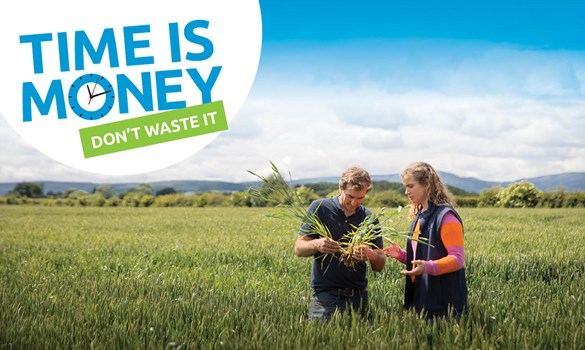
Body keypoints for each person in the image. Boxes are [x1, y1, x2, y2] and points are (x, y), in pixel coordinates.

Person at [294, 166, 386, 320]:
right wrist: (317, 244)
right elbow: (298, 248)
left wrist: (371, 255)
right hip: (326, 298)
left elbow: (380, 265)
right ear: (340, 187)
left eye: (360, 198)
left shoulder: (369, 218)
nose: (354, 202)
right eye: (350, 196)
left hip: (359, 297)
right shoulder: (319, 208)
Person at [384, 161, 468, 319]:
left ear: (427, 184)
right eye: (405, 186)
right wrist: (402, 255)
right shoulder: (420, 215)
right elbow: (424, 256)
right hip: (423, 297)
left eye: (410, 186)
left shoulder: (446, 217)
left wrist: (427, 267)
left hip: (444, 303)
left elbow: (457, 259)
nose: (406, 192)